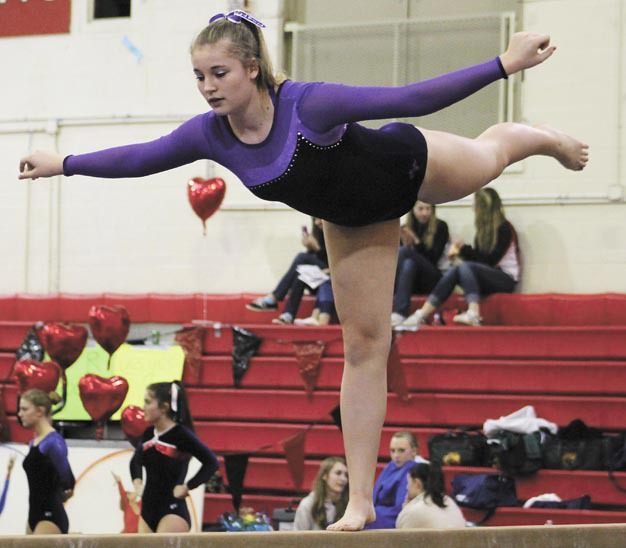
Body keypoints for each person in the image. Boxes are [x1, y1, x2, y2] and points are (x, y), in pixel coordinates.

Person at [18, 9, 589, 530]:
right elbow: (141, 158)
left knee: (489, 158)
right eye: (199, 76)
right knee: (365, 346)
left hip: (403, 167)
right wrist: (64, 163)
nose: (208, 87)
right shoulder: (209, 133)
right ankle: (360, 500)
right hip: (349, 222)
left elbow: (411, 97)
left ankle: (541, 136)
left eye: (219, 73)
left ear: (250, 68)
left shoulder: (307, 104)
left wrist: (504, 64)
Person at [398, 187, 519, 329]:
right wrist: (460, 252)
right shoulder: (483, 232)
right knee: (457, 269)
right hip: (490, 277)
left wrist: (464, 249)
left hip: (506, 279)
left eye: (475, 205)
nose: (473, 209)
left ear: (483, 208)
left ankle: (473, 313)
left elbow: (490, 261)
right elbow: (480, 260)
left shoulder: (504, 228)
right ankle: (421, 315)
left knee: (463, 266)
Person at [130, 381, 219, 533]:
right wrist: (138, 482)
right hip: (148, 509)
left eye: (148, 402)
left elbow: (211, 462)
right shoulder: (148, 434)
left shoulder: (181, 435)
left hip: (172, 510)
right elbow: (136, 462)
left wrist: (188, 486)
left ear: (164, 407)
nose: (143, 407)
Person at [247, 217, 329, 325]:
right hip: (320, 277)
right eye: (315, 219)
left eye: (320, 219)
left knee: (301, 258)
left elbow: (332, 262)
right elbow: (314, 259)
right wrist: (311, 247)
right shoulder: (319, 232)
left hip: (332, 277)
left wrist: (317, 248)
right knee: (301, 273)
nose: (316, 222)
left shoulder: (335, 234)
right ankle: (288, 315)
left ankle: (275, 298)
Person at [18, 389, 75, 535]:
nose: (20, 414)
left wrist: (58, 495)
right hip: (34, 514)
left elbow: (68, 481)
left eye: (24, 409)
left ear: (39, 411)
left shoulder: (53, 442)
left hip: (51, 515)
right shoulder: (34, 443)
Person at [391, 201, 449, 327]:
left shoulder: (441, 226)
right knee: (408, 264)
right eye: (421, 209)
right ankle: (400, 313)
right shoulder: (406, 227)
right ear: (413, 210)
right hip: (411, 280)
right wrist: (406, 242)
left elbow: (433, 258)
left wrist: (416, 242)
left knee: (404, 253)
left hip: (433, 278)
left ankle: (398, 309)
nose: (425, 213)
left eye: (428, 209)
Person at [366, 431, 420, 529]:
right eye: (392, 450)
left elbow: (400, 507)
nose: (396, 455)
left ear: (414, 451)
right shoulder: (390, 466)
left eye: (401, 450)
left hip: (392, 520)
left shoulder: (413, 471)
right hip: (377, 515)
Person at [395, 462, 466, 529]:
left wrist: (406, 509)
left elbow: (400, 538)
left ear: (417, 483)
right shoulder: (450, 502)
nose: (407, 487)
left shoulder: (412, 512)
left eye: (408, 483)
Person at [293, 456, 348, 530]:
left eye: (346, 475)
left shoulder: (349, 504)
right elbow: (297, 538)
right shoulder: (307, 504)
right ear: (325, 476)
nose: (343, 479)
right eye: (338, 473)